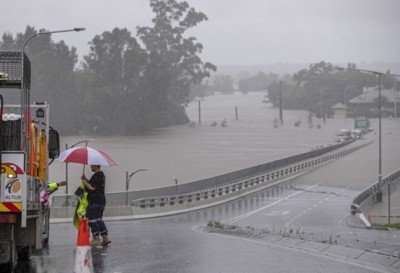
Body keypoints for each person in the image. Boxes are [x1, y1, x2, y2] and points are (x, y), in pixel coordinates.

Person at [81, 165, 111, 247]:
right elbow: (95, 185)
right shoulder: (102, 175)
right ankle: (105, 237)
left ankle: (96, 238)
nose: (90, 166)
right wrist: (86, 179)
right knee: (99, 219)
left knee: (92, 219)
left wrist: (84, 183)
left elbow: (92, 188)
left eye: (92, 165)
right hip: (101, 201)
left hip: (94, 201)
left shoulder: (96, 175)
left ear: (95, 165)